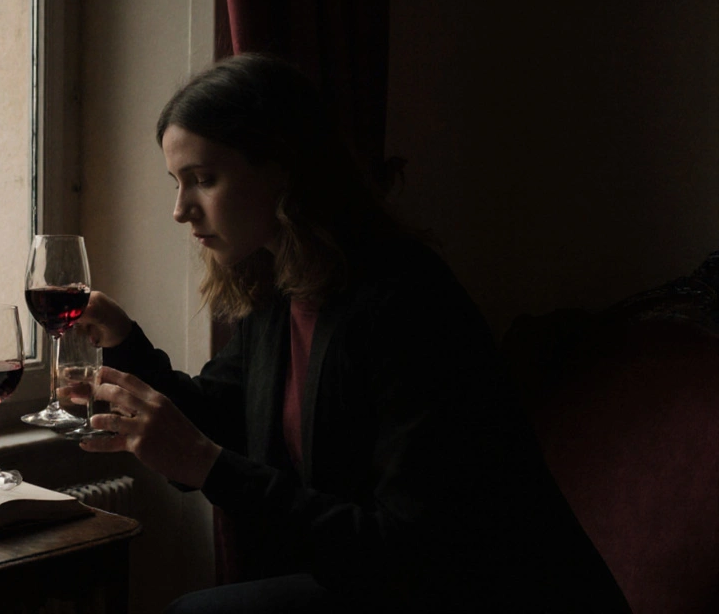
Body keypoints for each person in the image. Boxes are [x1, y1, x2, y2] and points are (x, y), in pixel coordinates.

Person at [65, 54, 630, 613]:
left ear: (282, 168)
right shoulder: (280, 290)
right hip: (375, 583)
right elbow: (217, 418)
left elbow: (409, 549)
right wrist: (122, 341)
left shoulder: (406, 301)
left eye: (203, 179)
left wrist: (204, 463)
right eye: (177, 182)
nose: (180, 210)